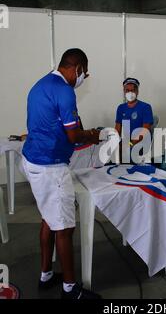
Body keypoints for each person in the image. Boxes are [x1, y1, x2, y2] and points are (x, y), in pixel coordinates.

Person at [22, 48, 101, 299]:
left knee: (48, 217)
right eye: (84, 73)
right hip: (51, 167)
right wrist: (94, 135)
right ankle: (70, 289)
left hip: (33, 159)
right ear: (76, 68)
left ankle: (46, 276)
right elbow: (73, 135)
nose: (83, 78)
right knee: (65, 227)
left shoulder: (41, 84)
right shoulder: (64, 91)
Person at [115, 78, 153, 162]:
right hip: (126, 143)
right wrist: (117, 143)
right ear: (124, 92)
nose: (130, 93)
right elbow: (117, 130)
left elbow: (145, 130)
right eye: (127, 90)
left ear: (137, 92)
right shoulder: (121, 108)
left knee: (128, 154)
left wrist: (130, 144)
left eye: (132, 90)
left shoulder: (145, 107)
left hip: (140, 144)